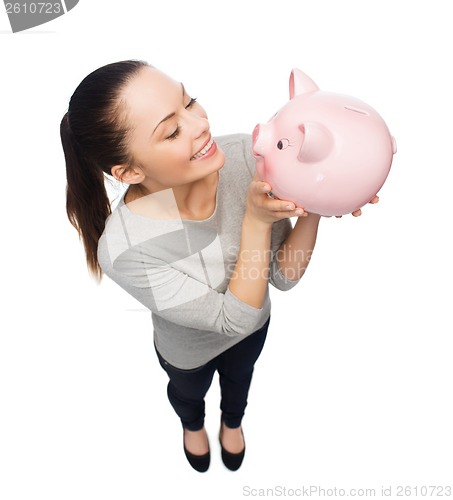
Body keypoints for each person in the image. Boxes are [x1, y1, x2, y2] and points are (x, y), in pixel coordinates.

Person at [60, 59, 375, 473]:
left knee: (239, 383)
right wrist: (256, 221)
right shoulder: (124, 250)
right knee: (187, 394)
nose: (199, 124)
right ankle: (192, 425)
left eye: (189, 102)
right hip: (185, 353)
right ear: (130, 171)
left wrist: (317, 200)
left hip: (253, 332)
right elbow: (233, 319)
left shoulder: (249, 154)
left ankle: (232, 421)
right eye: (172, 130)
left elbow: (282, 277)